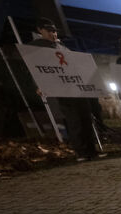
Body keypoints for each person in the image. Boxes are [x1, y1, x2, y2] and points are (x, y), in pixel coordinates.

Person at [29, 17, 98, 161]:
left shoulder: (63, 47)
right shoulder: (36, 48)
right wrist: (39, 86)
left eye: (54, 31)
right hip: (64, 91)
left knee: (86, 119)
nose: (53, 34)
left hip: (78, 89)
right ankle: (81, 152)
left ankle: (92, 151)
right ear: (40, 30)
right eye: (49, 31)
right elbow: (37, 69)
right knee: (75, 122)